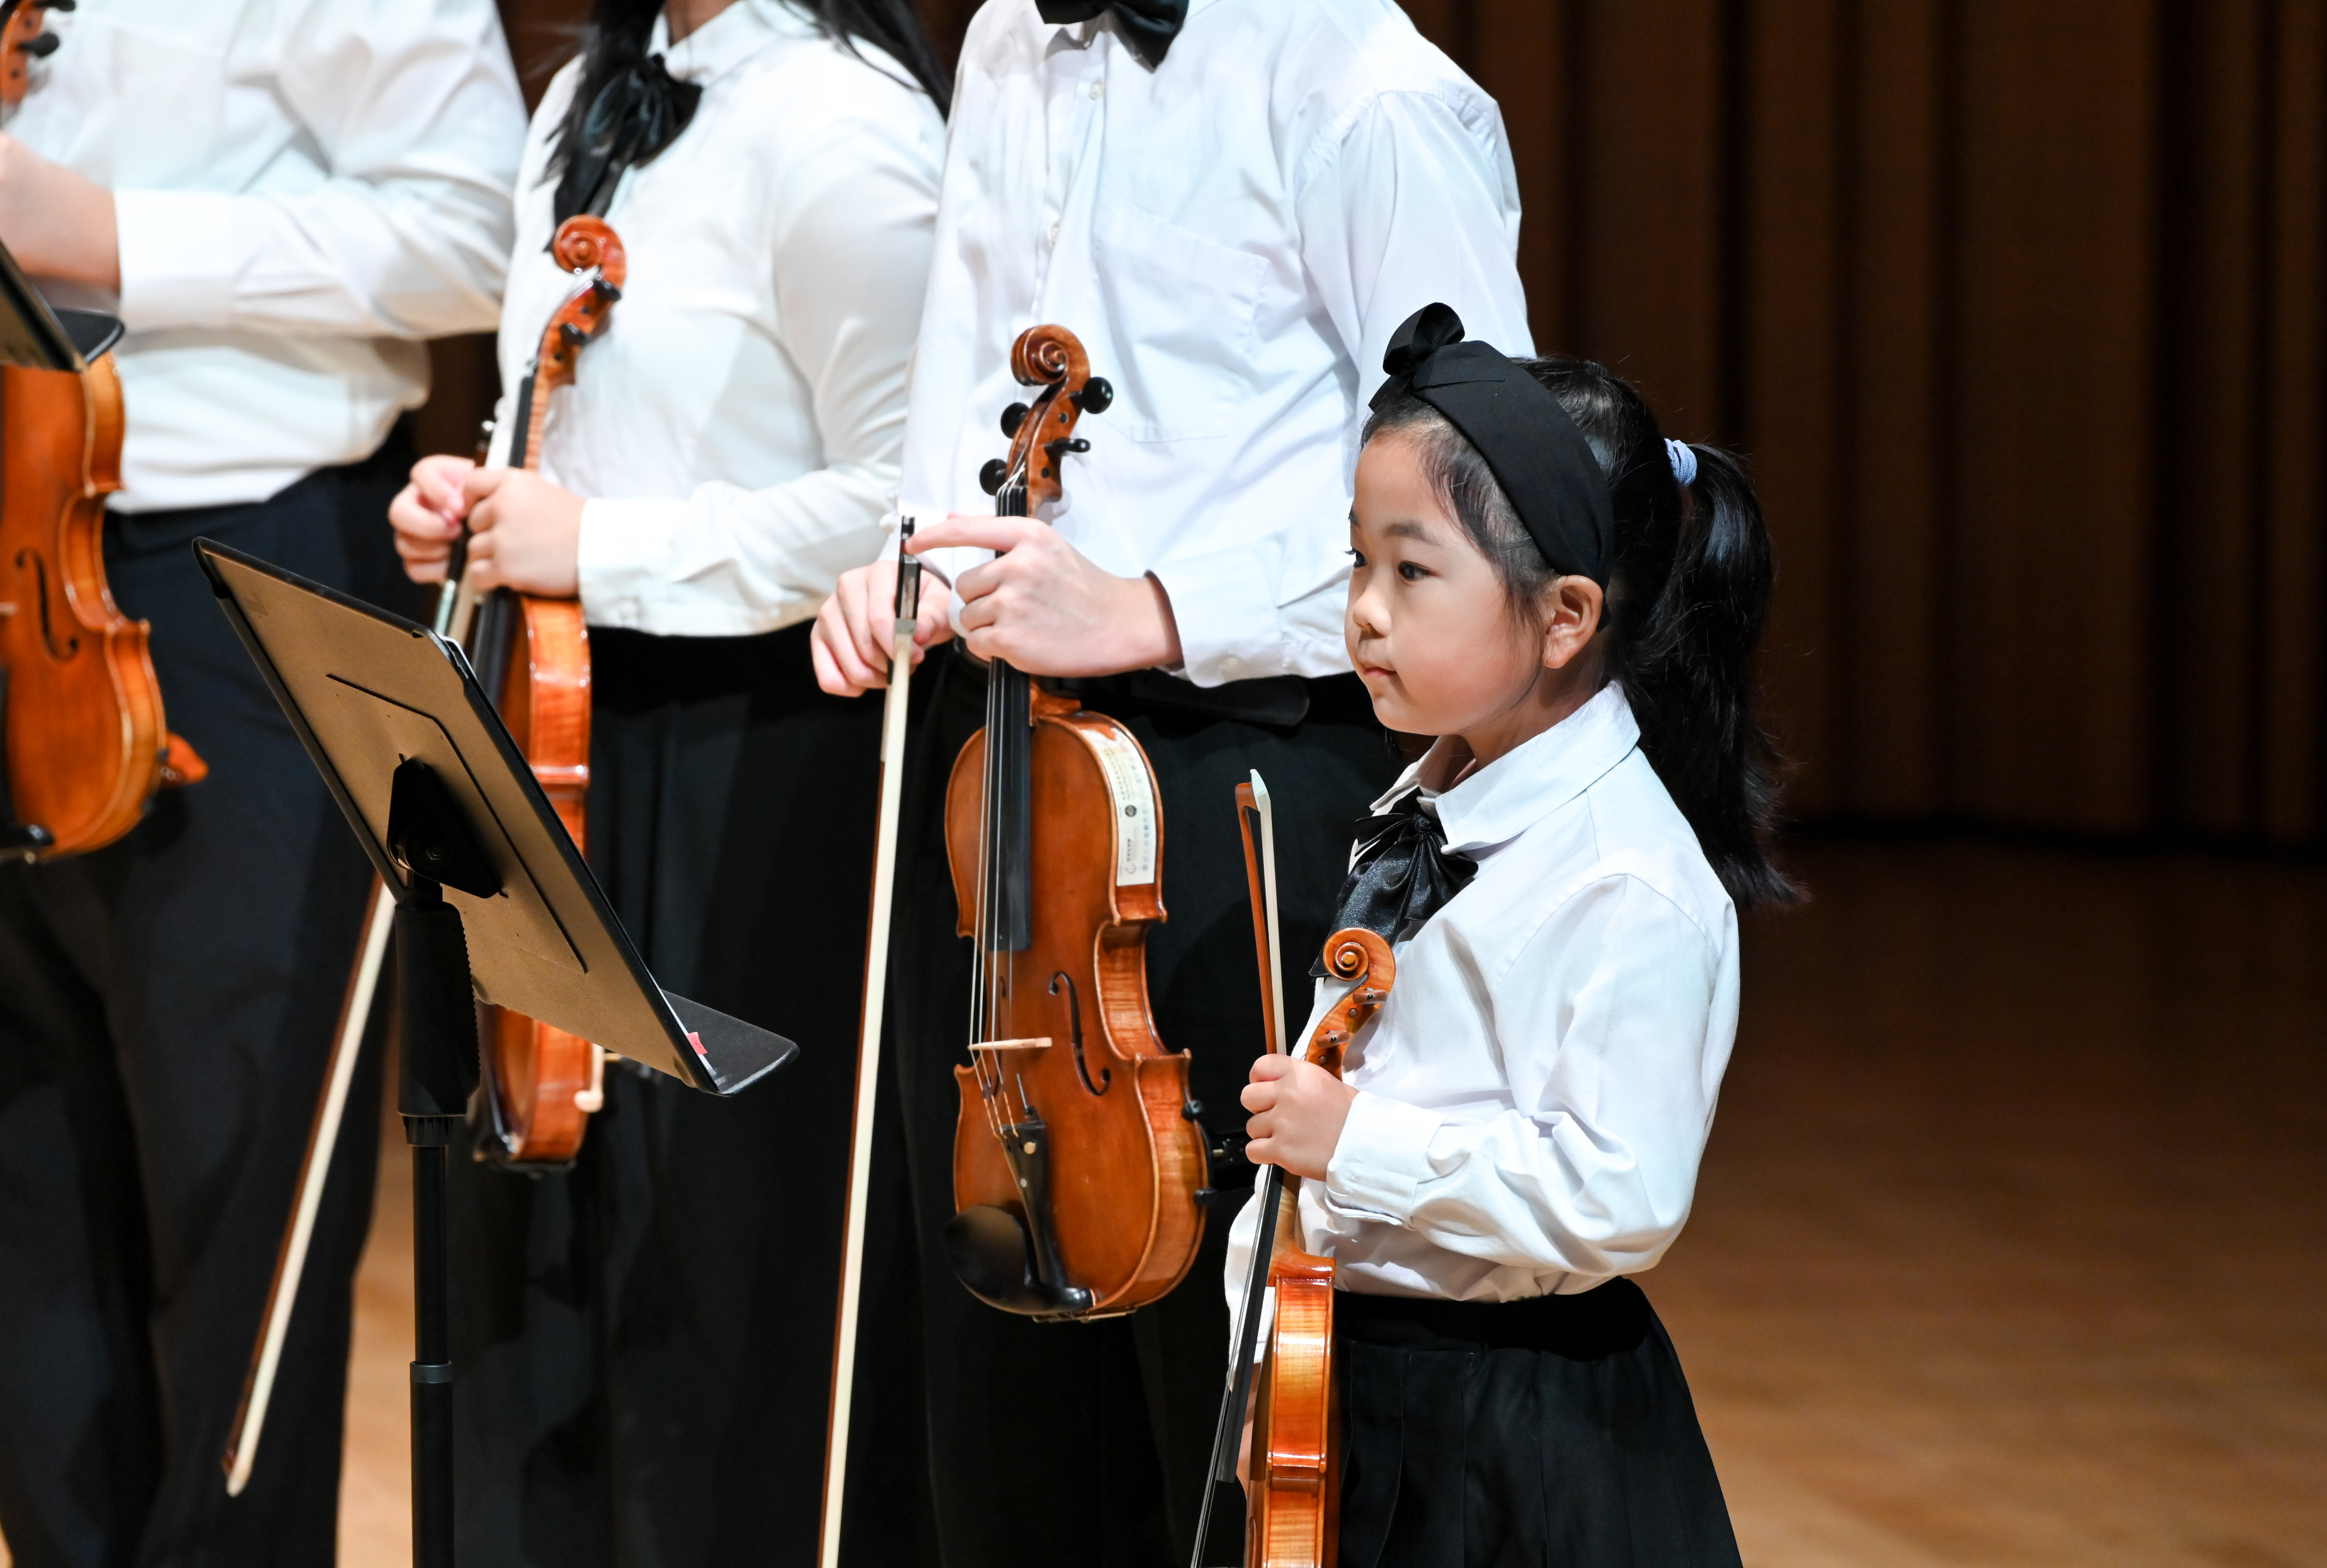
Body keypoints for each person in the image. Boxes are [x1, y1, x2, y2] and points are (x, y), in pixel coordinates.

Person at [811, 3, 1530, 1560]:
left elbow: (1483, 494)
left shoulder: (1370, 89)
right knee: (1001, 1394)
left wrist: (1157, 604)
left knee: (1223, 1406)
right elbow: (964, 380)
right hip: (1012, 764)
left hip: (1259, 778)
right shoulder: (1008, 33)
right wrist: (914, 565)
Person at [382, 0, 945, 1560]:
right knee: (542, 1255)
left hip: (764, 757)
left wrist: (601, 547)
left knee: (718, 1281)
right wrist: (491, 497)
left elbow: (914, 504)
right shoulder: (582, 94)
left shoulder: (849, 130)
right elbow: (577, 423)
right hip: (558, 721)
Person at [0, 3, 522, 1563]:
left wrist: (107, 238)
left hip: (237, 568)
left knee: (246, 1200)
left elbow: (472, 235)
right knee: (28, 1188)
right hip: (17, 567)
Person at [1230, 302, 1792, 1565]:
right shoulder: (1427, 807)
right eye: (1358, 564)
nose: (1364, 611)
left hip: (1516, 1446)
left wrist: (1355, 1144)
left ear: (1566, 617)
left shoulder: (1628, 883)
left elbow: (1622, 1194)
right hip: (1375, 1400)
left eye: (1412, 571)